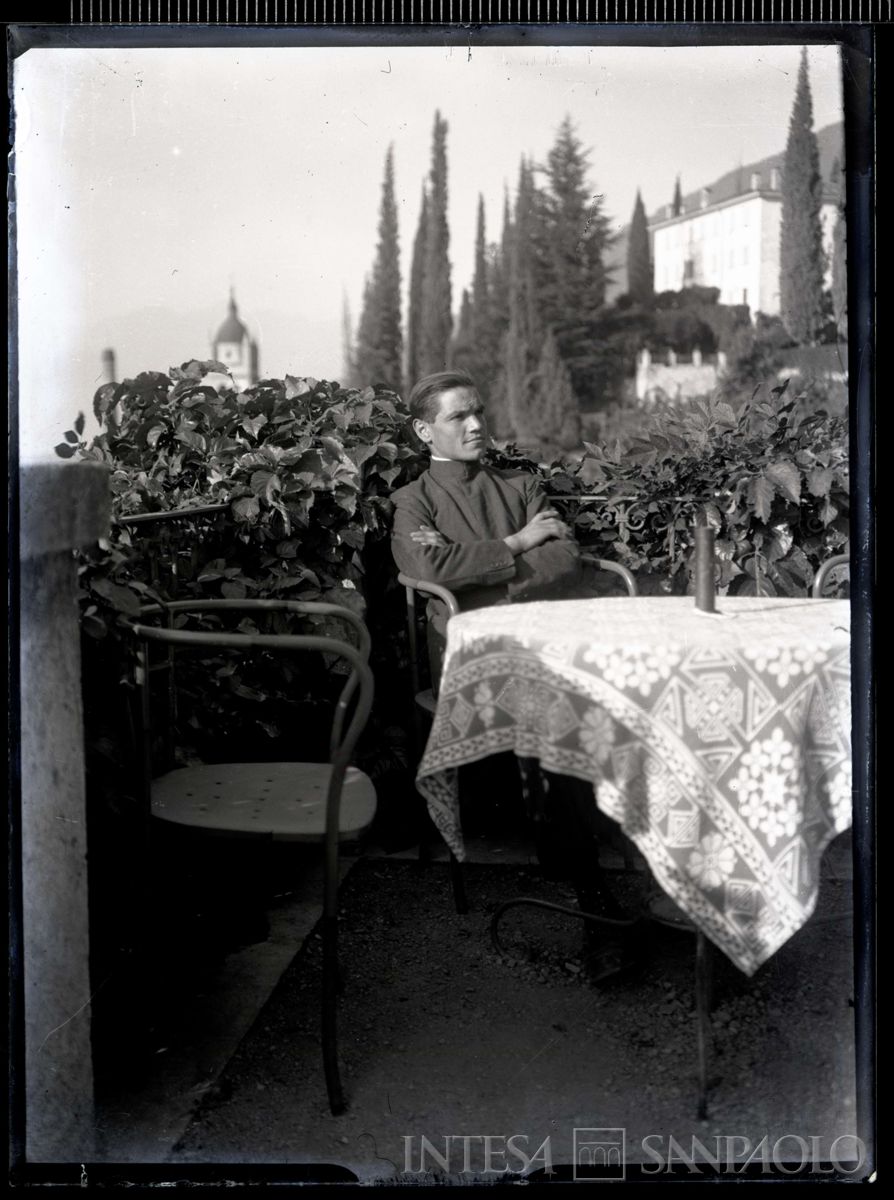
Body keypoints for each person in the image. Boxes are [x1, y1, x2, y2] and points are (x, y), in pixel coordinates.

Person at [390, 371, 637, 980]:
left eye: (478, 412)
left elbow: (563, 561)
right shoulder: (412, 501)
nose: (477, 425)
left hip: (540, 650)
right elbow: (428, 565)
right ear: (425, 431)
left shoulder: (521, 483)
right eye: (458, 418)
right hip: (468, 659)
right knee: (554, 715)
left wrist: (481, 573)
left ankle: (626, 869)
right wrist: (517, 541)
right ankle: (593, 897)